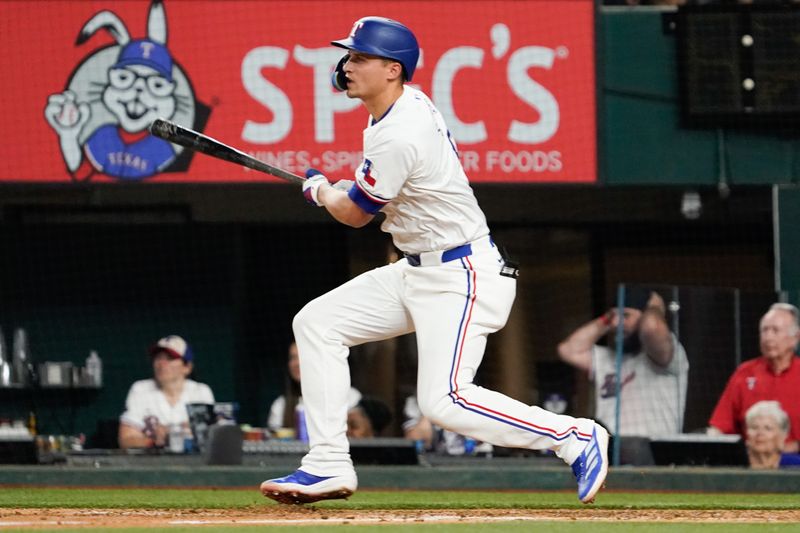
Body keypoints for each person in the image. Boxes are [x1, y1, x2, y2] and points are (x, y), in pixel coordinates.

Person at [259, 16, 609, 506]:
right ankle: (327, 463)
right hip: (418, 268)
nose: (347, 64)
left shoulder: (401, 130)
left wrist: (320, 190)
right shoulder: (396, 107)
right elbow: (365, 193)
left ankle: (574, 436)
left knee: (444, 400)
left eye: (360, 57)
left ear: (393, 70)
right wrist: (334, 188)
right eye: (350, 55)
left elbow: (355, 216)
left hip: (461, 275)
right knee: (317, 323)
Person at [557, 288, 689, 438]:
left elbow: (652, 328)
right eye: (613, 317)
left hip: (653, 456)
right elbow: (567, 350)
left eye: (626, 316)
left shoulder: (666, 354)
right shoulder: (607, 358)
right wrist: (606, 319)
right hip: (610, 453)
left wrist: (655, 308)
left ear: (644, 317)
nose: (615, 323)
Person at [708, 303, 800, 453]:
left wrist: (787, 449)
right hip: (750, 463)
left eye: (775, 330)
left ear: (795, 338)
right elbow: (719, 427)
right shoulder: (744, 373)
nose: (768, 337)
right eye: (764, 330)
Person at [118, 335, 214, 449]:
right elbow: (125, 440)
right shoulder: (140, 389)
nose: (162, 364)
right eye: (158, 358)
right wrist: (153, 442)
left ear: (187, 367)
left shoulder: (201, 392)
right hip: (151, 464)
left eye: (170, 358)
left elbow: (211, 440)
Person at [267, 341, 362, 437]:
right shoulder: (280, 406)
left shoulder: (349, 396)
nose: (297, 363)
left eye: (302, 356)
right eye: (293, 358)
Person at [744, 401, 796, 469]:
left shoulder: (795, 464)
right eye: (754, 427)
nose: (760, 433)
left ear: (782, 436)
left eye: (768, 428)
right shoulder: (734, 462)